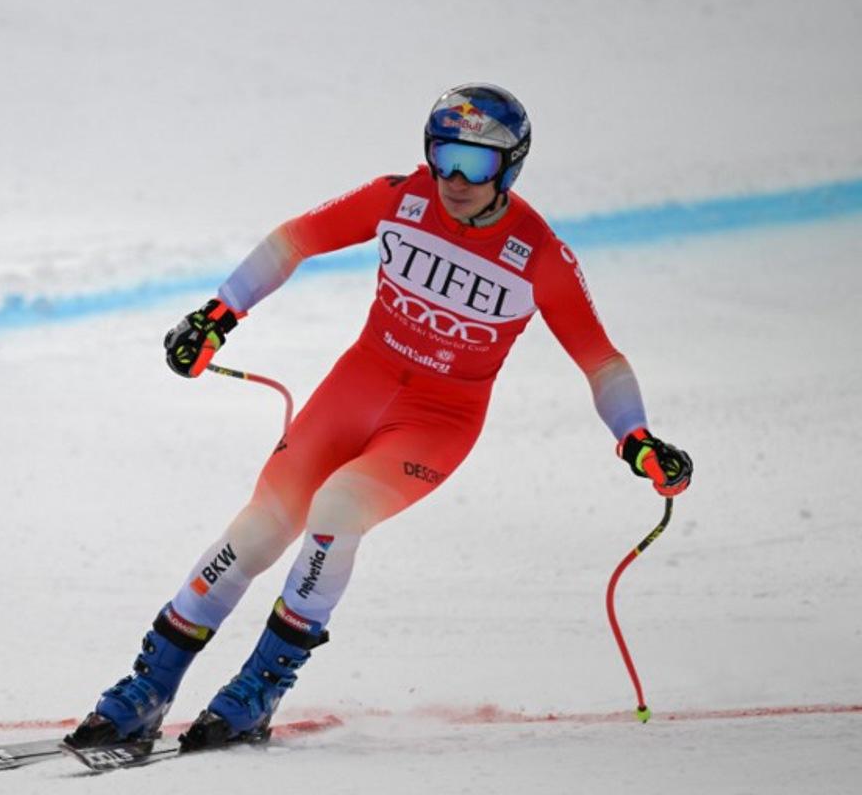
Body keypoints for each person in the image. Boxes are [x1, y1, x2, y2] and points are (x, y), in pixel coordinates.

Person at [65, 83, 693, 752]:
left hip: (437, 421)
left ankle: (255, 692)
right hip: (355, 387)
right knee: (258, 531)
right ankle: (148, 688)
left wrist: (636, 439)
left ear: (510, 167)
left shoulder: (539, 255)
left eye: (476, 165)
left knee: (337, 510)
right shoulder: (402, 197)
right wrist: (217, 315)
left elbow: (601, 361)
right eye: (444, 155)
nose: (454, 178)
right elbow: (293, 241)